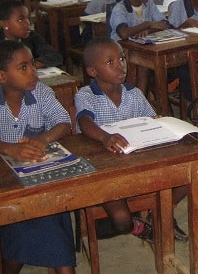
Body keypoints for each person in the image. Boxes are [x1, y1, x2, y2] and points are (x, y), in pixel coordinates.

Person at [0, 41, 76, 274]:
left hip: (42, 178)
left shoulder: (42, 92)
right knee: (38, 223)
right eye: (23, 67)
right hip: (4, 183)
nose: (33, 72)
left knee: (45, 214)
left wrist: (43, 139)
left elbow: (64, 123)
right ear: (1, 76)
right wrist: (9, 149)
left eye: (32, 65)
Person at [75, 38, 189, 243]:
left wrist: (161, 122)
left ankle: (161, 212)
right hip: (107, 171)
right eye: (110, 62)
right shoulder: (86, 95)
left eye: (121, 58)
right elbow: (84, 121)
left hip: (137, 162)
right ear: (93, 71)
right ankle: (141, 227)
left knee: (186, 176)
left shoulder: (134, 94)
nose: (120, 66)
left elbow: (150, 118)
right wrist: (104, 137)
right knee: (121, 221)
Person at [109, 0, 169, 94]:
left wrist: (149, 30)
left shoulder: (149, 5)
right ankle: (139, 98)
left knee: (151, 64)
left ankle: (148, 98)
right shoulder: (120, 8)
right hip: (121, 53)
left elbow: (164, 24)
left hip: (144, 49)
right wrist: (147, 24)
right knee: (143, 65)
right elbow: (123, 33)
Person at [0, 1, 62, 78]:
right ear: (4, 24)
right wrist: (8, 68)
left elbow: (55, 56)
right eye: (21, 20)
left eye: (27, 18)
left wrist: (29, 65)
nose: (27, 23)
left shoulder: (32, 37)